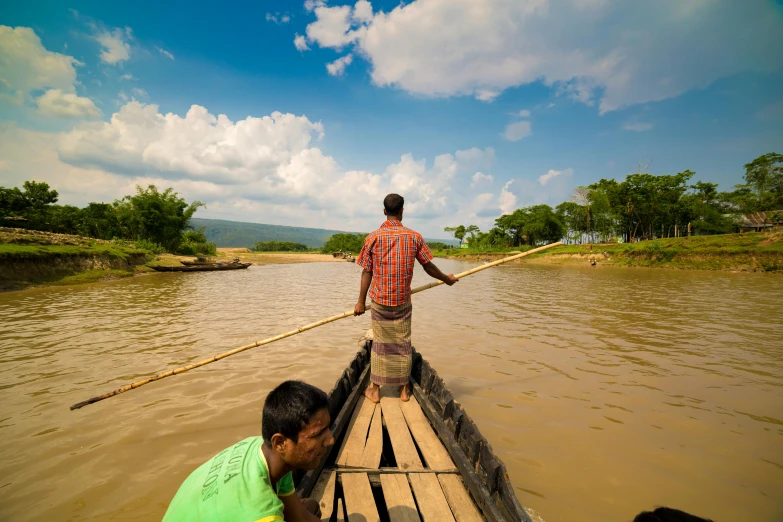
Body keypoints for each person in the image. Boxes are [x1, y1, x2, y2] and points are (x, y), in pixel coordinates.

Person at [163, 381, 334, 522]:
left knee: (309, 508)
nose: (330, 439)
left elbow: (300, 517)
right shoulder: (260, 512)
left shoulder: (261, 449)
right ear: (280, 443)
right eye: (318, 434)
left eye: (328, 428)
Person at [354, 193, 458, 403]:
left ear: (384, 211)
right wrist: (446, 279)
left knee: (381, 344)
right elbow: (428, 266)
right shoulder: (414, 237)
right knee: (402, 342)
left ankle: (375, 388)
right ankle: (404, 388)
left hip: (380, 301)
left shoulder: (372, 237)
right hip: (402, 300)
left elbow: (367, 272)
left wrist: (360, 302)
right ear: (402, 210)